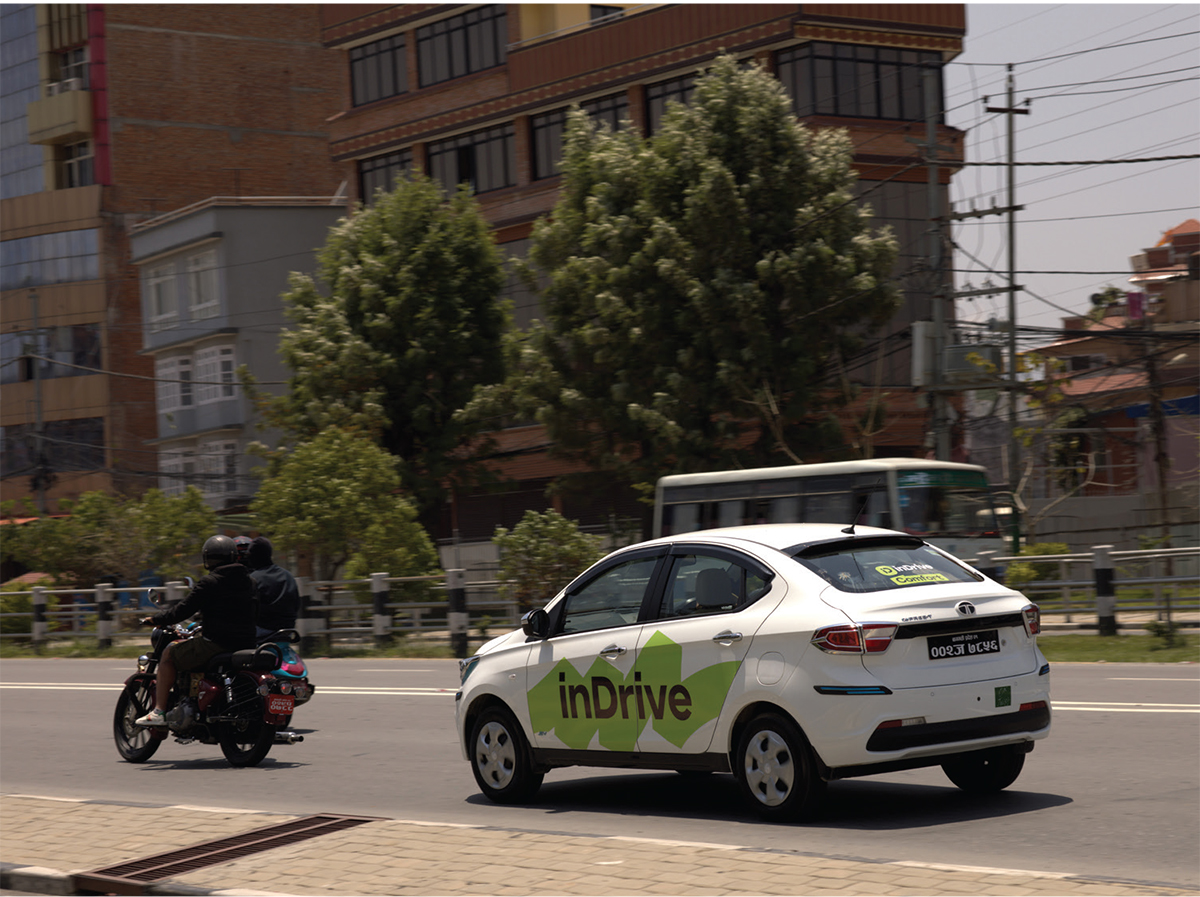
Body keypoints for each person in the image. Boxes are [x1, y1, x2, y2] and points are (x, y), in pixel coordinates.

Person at [135, 534, 257, 727]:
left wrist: (155, 619)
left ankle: (159, 711)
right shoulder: (250, 582)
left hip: (216, 643)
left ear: (207, 558)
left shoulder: (210, 582)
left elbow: (182, 610)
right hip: (247, 643)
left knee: (169, 654)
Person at [246, 536, 300, 641]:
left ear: (253, 556)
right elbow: (296, 603)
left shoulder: (253, 579)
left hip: (264, 631)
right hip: (288, 630)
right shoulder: (287, 575)